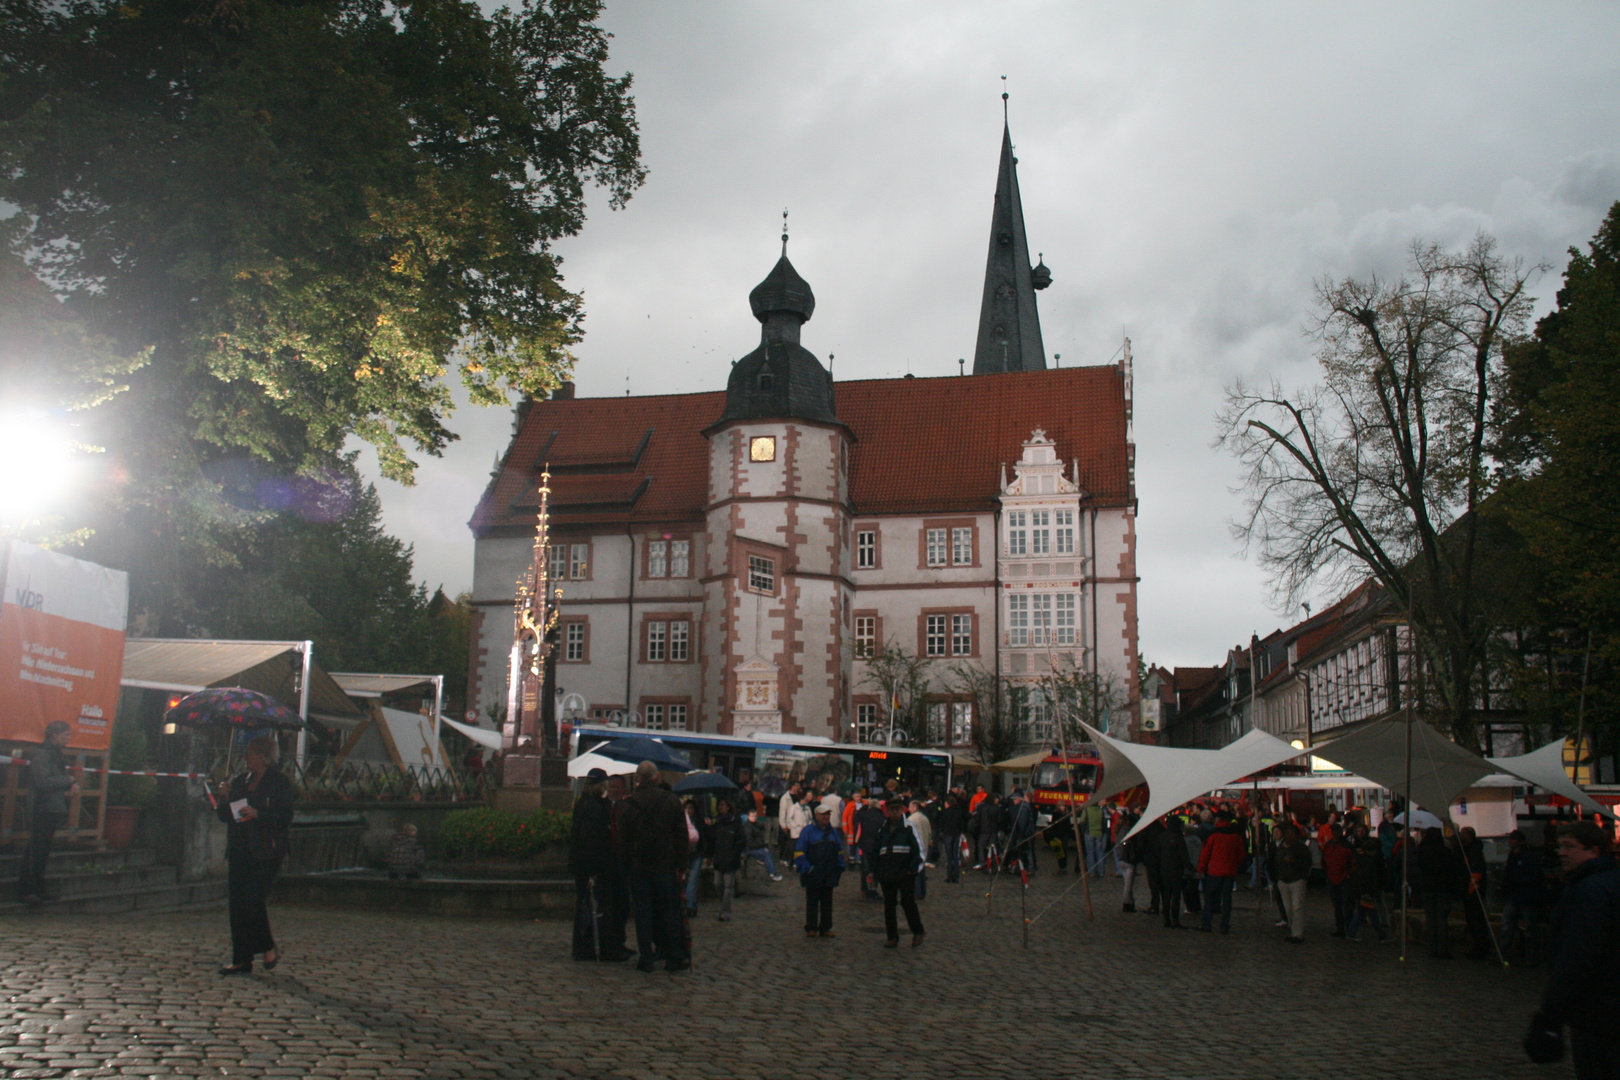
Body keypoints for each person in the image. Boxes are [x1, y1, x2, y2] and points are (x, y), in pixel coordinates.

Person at [1524, 821, 1620, 1078]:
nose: (1561, 852)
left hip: (1597, 1010)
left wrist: (1551, 1011)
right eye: (1560, 846)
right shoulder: (1604, 884)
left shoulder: (1589, 891)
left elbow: (1577, 955)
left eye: (1569, 846)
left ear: (1594, 851)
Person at [214, 735, 296, 975]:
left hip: (266, 851)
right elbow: (227, 816)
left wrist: (259, 814)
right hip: (240, 848)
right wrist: (225, 797)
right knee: (238, 904)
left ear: (263, 755)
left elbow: (285, 817)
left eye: (249, 752)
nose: (245, 756)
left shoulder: (279, 782)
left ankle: (267, 945)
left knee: (253, 899)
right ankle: (241, 958)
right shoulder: (241, 780)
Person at [618, 760, 691, 973]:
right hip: (665, 865)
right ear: (656, 778)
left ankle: (646, 957)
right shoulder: (671, 801)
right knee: (669, 911)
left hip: (639, 866)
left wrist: (626, 864)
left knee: (643, 913)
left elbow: (623, 840)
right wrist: (682, 864)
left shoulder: (628, 805)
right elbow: (682, 835)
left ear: (638, 779)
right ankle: (673, 956)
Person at [569, 768, 629, 960]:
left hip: (586, 867)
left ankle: (588, 947)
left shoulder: (584, 804)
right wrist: (595, 869)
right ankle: (598, 948)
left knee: (587, 908)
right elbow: (592, 841)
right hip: (594, 868)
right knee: (597, 910)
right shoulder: (594, 808)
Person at [17, 720, 78, 905]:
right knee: (36, 850)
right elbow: (43, 782)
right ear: (54, 735)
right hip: (41, 807)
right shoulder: (43, 755)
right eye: (65, 735)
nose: (68, 739)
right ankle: (27, 890)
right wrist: (68, 781)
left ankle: (38, 888)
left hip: (50, 807)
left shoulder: (54, 755)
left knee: (43, 850)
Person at [872, 798, 926, 947]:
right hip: (887, 874)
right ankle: (892, 937)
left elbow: (919, 851)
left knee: (907, 903)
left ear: (902, 810)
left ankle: (917, 931)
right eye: (892, 810)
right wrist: (876, 872)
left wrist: (912, 869)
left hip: (905, 873)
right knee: (889, 906)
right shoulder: (883, 829)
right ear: (888, 811)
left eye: (897, 809)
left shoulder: (909, 827)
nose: (895, 813)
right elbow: (876, 851)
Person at [795, 804, 846, 937]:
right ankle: (811, 927)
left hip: (829, 872)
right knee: (812, 902)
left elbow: (839, 851)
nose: (826, 817)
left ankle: (825, 928)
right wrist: (807, 868)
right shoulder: (808, 831)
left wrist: (840, 866)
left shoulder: (834, 832)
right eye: (823, 814)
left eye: (828, 814)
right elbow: (799, 852)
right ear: (816, 815)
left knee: (827, 902)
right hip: (814, 872)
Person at [1196, 811, 1245, 934]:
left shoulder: (1213, 835)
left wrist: (1201, 869)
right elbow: (1241, 854)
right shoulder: (1235, 835)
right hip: (1229, 871)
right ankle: (1224, 925)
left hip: (1214, 871)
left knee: (1209, 898)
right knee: (1227, 899)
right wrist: (1235, 865)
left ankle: (1206, 924)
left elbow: (1205, 854)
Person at [1416, 826, 1462, 959]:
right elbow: (1452, 869)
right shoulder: (1445, 852)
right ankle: (1442, 948)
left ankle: (1432, 948)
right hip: (1443, 887)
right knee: (1442, 919)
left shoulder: (1422, 851)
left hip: (1428, 887)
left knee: (1431, 919)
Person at [1500, 829, 1545, 965]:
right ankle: (1507, 955)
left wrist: (1517, 881)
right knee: (1508, 926)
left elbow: (1536, 876)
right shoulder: (1513, 855)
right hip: (1515, 895)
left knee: (1527, 928)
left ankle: (1529, 957)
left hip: (1524, 895)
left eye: (1513, 839)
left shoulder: (1527, 856)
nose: (1510, 842)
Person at [1345, 823, 1391, 942]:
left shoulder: (1361, 860)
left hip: (1362, 891)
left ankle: (1353, 932)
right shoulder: (1369, 862)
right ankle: (1382, 935)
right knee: (1370, 914)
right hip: (1367, 892)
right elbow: (1369, 879)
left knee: (1362, 913)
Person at [1457, 825, 1492, 960]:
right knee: (1473, 920)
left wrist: (1471, 889)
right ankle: (1479, 946)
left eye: (1463, 834)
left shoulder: (1474, 851)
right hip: (1470, 889)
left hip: (1474, 890)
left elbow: (1476, 871)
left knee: (1476, 920)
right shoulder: (1468, 850)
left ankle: (1481, 948)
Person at [710, 796, 747, 922]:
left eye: (722, 805)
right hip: (719, 858)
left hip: (730, 860)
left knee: (728, 886)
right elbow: (712, 840)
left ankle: (725, 912)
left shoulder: (735, 822)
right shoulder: (718, 822)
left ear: (728, 807)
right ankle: (724, 905)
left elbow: (741, 840)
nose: (720, 807)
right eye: (719, 805)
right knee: (717, 884)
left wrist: (734, 854)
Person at [1275, 823, 1311, 944]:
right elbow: (1275, 863)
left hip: (1297, 879)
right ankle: (1293, 930)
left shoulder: (1301, 848)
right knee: (1288, 908)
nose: (1288, 836)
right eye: (1287, 833)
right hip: (1283, 880)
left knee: (1297, 907)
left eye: (1291, 833)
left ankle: (1298, 933)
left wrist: (1294, 862)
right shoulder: (1281, 848)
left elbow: (1306, 863)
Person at [1155, 817, 1190, 929]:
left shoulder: (1162, 836)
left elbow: (1157, 853)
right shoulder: (1179, 838)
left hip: (1164, 869)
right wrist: (1191, 868)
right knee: (1175, 896)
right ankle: (1175, 920)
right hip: (1176, 870)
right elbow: (1184, 856)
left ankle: (1166, 919)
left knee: (1166, 895)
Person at [1321, 824, 1355, 938]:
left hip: (1342, 879)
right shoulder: (1331, 845)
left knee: (1345, 906)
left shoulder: (1344, 846)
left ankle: (1347, 929)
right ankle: (1341, 929)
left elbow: (1352, 863)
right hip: (1334, 878)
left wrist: (1348, 875)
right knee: (1338, 906)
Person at [681, 798, 711, 918]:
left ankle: (690, 906)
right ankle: (687, 905)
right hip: (685, 854)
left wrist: (707, 855)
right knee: (685, 880)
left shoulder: (699, 822)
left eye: (691, 808)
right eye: (686, 808)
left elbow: (704, 838)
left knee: (692, 881)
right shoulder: (681, 822)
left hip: (697, 854)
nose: (688, 811)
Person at [854, 794, 887, 898]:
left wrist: (866, 804)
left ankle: (864, 889)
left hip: (864, 845)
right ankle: (871, 889)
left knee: (865, 868)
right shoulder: (883, 818)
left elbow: (858, 813)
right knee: (874, 869)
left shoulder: (864, 815)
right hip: (877, 846)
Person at [742, 808, 784, 881]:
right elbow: (749, 842)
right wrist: (761, 846)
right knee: (767, 854)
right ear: (748, 817)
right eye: (752, 816)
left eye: (755, 816)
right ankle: (772, 873)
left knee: (767, 852)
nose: (754, 818)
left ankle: (766, 864)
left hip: (755, 846)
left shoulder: (754, 825)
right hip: (749, 848)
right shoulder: (748, 827)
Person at [938, 792, 966, 884]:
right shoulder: (959, 811)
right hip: (956, 834)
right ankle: (956, 876)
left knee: (949, 856)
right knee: (956, 855)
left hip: (948, 834)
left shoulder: (946, 812)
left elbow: (942, 822)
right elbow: (962, 823)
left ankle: (949, 875)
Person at [1006, 789, 1036, 873]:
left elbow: (1022, 823)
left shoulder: (1022, 808)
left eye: (1015, 799)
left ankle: (1029, 868)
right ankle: (1027, 867)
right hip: (1027, 832)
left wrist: (1019, 835)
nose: (1013, 801)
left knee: (1027, 851)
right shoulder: (1024, 806)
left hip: (1025, 834)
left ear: (1019, 799)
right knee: (1026, 851)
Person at [907, 799, 932, 899]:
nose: (908, 809)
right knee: (921, 870)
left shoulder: (912, 818)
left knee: (915, 870)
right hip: (924, 845)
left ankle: (916, 892)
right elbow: (929, 832)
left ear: (915, 807)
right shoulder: (924, 818)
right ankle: (922, 892)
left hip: (915, 846)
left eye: (910, 807)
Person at [1079, 797, 1108, 878]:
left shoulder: (1087, 810)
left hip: (1089, 833)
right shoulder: (1101, 811)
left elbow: (1082, 822)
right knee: (1100, 852)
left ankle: (1092, 872)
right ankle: (1101, 871)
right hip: (1099, 833)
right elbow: (1104, 822)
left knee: (1090, 853)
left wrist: (1084, 831)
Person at [777, 781, 804, 862]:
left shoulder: (798, 796)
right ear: (792, 786)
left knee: (793, 842)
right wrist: (783, 825)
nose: (798, 787)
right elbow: (782, 812)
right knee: (785, 842)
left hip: (796, 822)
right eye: (797, 785)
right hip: (787, 823)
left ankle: (791, 858)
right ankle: (783, 858)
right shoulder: (785, 798)